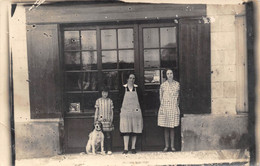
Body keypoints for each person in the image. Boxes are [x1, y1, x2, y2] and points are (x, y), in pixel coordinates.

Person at [119, 73, 143, 154]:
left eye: (133, 78)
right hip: (125, 112)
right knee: (126, 129)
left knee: (134, 129)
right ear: (127, 79)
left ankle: (133, 147)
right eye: (130, 78)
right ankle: (125, 148)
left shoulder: (137, 89)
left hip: (135, 112)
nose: (132, 80)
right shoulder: (123, 88)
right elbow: (119, 100)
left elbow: (141, 101)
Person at [158, 69, 180, 152]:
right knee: (166, 128)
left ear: (173, 74)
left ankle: (172, 146)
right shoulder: (163, 85)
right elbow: (161, 97)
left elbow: (179, 97)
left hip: (173, 107)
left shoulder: (177, 85)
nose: (169, 75)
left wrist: (176, 105)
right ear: (166, 75)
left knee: (172, 128)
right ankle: (166, 146)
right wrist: (163, 107)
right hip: (165, 108)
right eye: (168, 74)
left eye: (171, 73)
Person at [94, 86, 114, 155]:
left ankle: (109, 149)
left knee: (108, 135)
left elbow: (111, 111)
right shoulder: (98, 101)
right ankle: (102, 150)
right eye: (103, 93)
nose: (105, 94)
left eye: (106, 93)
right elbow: (97, 111)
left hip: (108, 120)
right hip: (100, 121)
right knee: (101, 136)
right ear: (101, 93)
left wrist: (111, 119)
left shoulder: (110, 101)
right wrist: (95, 119)